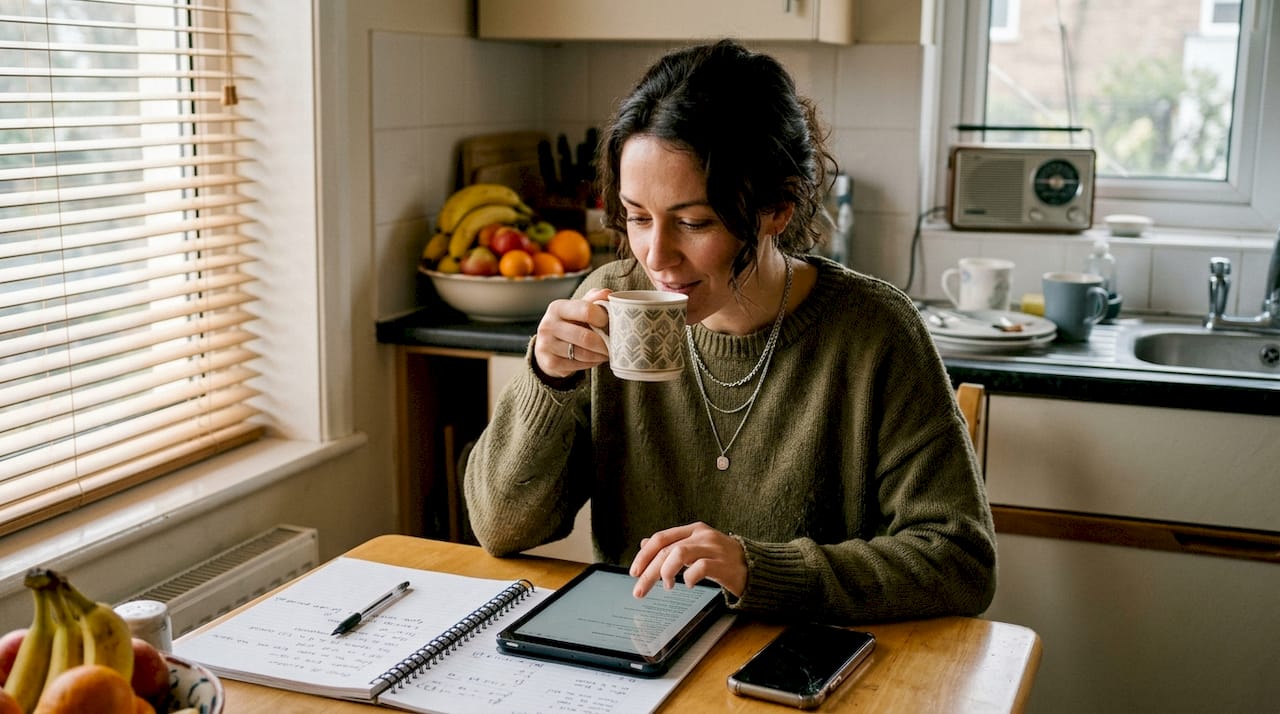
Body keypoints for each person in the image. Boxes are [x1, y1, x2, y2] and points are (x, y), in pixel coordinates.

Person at [464, 39, 996, 623]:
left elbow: (960, 561)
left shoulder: (873, 333)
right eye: (637, 217)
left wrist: (755, 568)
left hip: (805, 668)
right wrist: (546, 379)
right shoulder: (607, 300)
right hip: (641, 649)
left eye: (693, 222)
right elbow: (501, 527)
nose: (657, 256)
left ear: (777, 209)